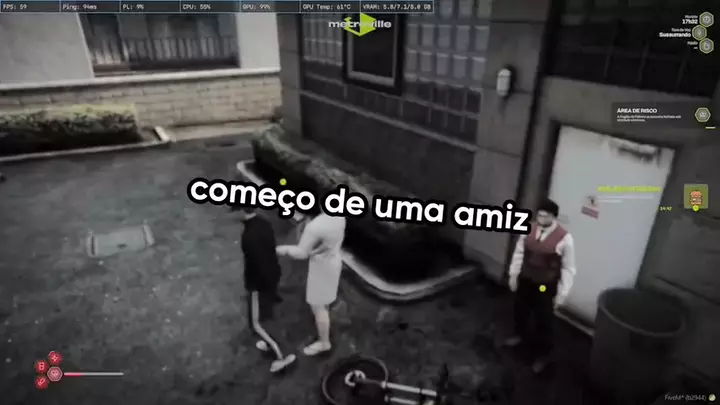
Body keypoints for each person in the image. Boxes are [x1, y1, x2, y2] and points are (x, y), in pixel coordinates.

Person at [504, 198, 577, 373]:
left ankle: (542, 355)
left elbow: (568, 268)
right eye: (539, 215)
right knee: (520, 308)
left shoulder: (565, 238)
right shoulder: (529, 229)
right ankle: (520, 335)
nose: (541, 219)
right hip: (526, 279)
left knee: (543, 318)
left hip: (544, 284)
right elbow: (519, 252)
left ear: (553, 217)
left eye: (545, 216)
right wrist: (513, 275)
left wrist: (562, 294)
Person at [276, 209, 346, 356]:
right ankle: (324, 317)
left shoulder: (316, 226)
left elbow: (301, 253)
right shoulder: (339, 216)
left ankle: (324, 342)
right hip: (334, 260)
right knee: (323, 301)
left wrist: (282, 250)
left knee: (318, 307)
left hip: (321, 269)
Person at [235, 205, 296, 373]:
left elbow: (256, 264)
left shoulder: (248, 237)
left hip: (259, 283)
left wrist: (254, 287)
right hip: (272, 274)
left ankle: (282, 354)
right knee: (267, 312)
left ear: (241, 211)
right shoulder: (264, 223)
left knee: (258, 323)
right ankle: (270, 343)